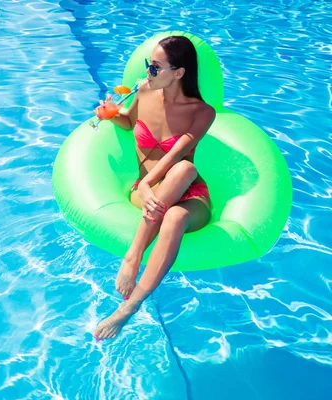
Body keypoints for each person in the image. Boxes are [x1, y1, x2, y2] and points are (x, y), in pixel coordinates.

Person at [92, 36, 215, 340]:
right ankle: (134, 260)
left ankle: (128, 307)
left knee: (184, 171)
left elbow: (177, 155)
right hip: (145, 191)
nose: (148, 72)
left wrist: (148, 184)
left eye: (156, 68)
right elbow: (129, 120)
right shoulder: (144, 92)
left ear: (179, 72)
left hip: (187, 192)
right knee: (173, 193)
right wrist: (111, 115)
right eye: (149, 65)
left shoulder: (202, 112)